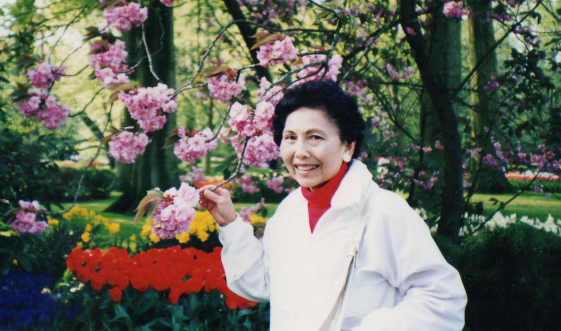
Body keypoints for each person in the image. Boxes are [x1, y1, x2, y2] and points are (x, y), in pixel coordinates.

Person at [199, 80, 467, 331]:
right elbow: (265, 284)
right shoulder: (289, 212)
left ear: (348, 147)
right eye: (290, 137)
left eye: (315, 137)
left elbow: (442, 298)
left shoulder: (383, 211)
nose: (300, 151)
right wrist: (230, 224)